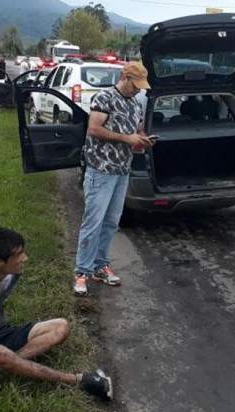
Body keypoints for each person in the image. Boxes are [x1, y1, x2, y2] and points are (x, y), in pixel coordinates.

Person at [0, 227, 112, 399]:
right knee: (0, 354)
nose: (25, 258)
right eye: (19, 255)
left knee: (60, 327)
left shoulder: (12, 273)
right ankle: (80, 380)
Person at [73, 62, 153, 296]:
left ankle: (100, 266)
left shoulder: (135, 102)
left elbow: (138, 132)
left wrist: (142, 140)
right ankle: (81, 272)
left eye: (140, 86)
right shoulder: (105, 97)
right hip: (101, 169)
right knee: (93, 221)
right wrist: (126, 139)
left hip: (122, 171)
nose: (138, 90)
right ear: (124, 77)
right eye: (135, 85)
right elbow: (94, 129)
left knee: (111, 222)